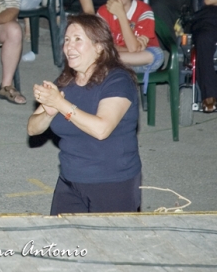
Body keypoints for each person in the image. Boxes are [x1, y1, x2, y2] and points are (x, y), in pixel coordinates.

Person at [28, 14, 142, 215]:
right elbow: (32, 128)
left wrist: (61, 103)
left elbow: (101, 129)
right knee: (63, 244)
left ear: (99, 47)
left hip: (112, 183)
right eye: (67, 40)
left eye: (78, 40)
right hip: (70, 181)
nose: (69, 46)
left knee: (107, 246)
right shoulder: (65, 81)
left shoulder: (118, 81)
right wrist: (48, 112)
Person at [98, 0, 164, 81]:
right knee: (98, 51)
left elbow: (133, 49)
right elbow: (101, 45)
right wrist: (129, 49)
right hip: (123, 57)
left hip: (138, 61)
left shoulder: (144, 11)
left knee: (157, 55)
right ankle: (115, 66)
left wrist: (121, 15)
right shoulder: (102, 12)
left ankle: (112, 65)